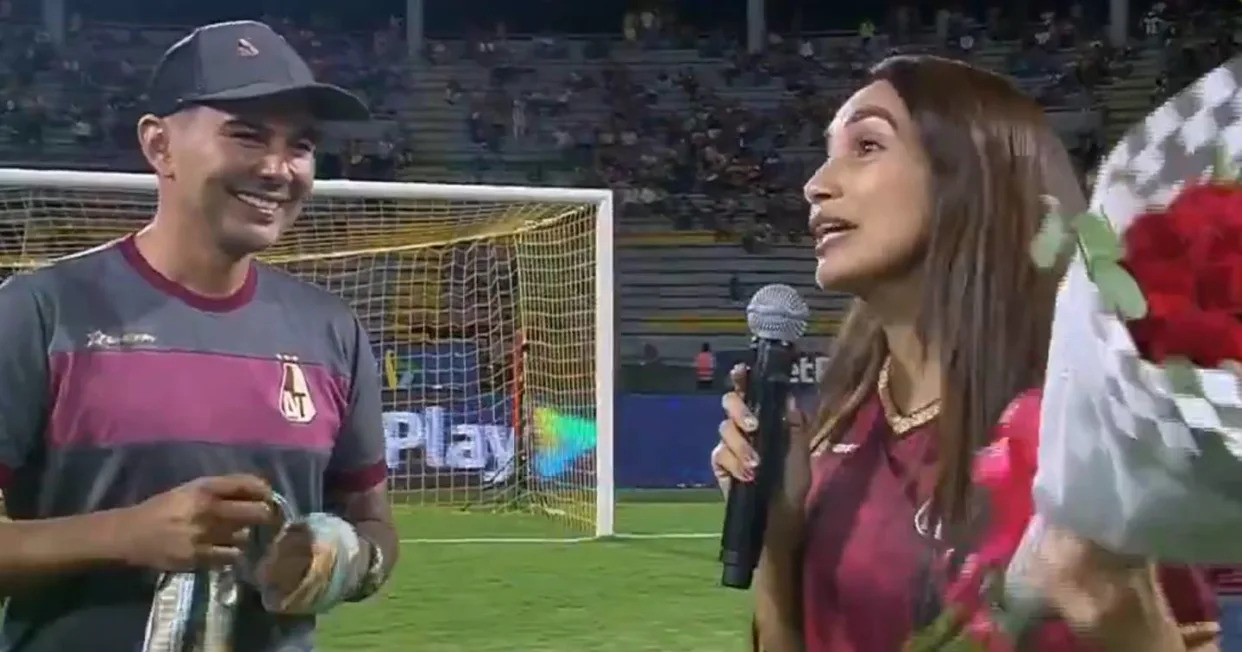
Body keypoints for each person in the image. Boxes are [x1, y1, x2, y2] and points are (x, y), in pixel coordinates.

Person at [710, 55, 1219, 652]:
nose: (816, 183)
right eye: (829, 149)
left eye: (866, 145)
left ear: (970, 176)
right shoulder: (834, 436)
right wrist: (778, 543)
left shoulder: (1093, 430)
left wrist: (1127, 619)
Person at [0, 21, 397, 651]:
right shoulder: (38, 314)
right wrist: (127, 534)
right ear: (159, 146)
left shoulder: (333, 331)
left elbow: (372, 522)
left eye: (301, 145)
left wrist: (341, 558)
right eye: (246, 135)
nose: (277, 168)